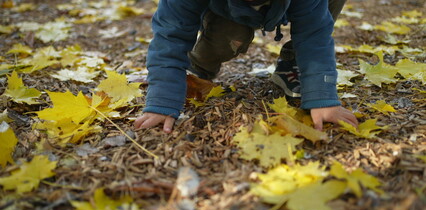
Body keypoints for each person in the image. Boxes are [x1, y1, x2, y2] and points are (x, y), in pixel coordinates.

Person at [134, 0, 358, 133]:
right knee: (229, 37)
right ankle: (200, 65)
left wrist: (322, 96)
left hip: (291, 5)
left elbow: (314, 35)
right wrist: (162, 100)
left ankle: (293, 62)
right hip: (224, 9)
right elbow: (170, 35)